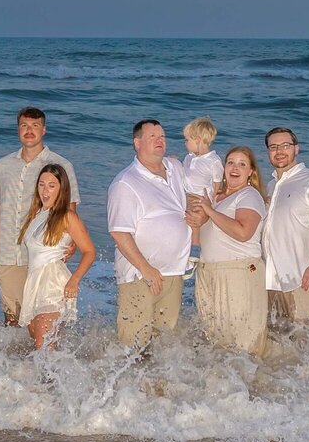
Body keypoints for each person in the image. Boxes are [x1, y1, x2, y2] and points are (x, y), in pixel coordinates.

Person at [106, 119, 194, 348]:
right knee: (134, 346)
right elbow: (119, 233)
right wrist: (147, 270)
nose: (159, 141)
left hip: (174, 272)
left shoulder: (175, 168)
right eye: (152, 137)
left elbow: (192, 193)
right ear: (137, 143)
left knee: (164, 345)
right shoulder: (126, 183)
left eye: (162, 136)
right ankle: (127, 385)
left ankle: (158, 385)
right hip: (141, 275)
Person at [0, 107, 79, 326]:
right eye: (24, 125)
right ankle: (17, 360)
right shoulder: (3, 165)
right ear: (18, 129)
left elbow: (70, 208)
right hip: (8, 252)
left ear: (44, 130)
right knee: (11, 317)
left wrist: (72, 242)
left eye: (35, 125)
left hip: (42, 255)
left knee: (42, 319)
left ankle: (44, 359)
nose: (29, 131)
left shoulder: (61, 165)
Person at [188, 146, 269, 354]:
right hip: (208, 272)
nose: (235, 168)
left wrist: (209, 211)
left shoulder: (249, 195)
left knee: (242, 340)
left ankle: (255, 384)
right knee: (215, 340)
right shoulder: (216, 197)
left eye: (242, 164)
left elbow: (243, 233)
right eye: (231, 162)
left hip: (238, 272)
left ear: (251, 171)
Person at [260, 127, 309, 329]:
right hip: (273, 281)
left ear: (296, 149)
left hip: (303, 278)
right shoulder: (271, 186)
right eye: (273, 147)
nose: (279, 151)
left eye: (285, 146)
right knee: (279, 345)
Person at [16, 165, 95, 350]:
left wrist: (74, 280)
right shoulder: (37, 214)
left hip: (53, 283)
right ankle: (57, 378)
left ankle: (50, 379)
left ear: (62, 189)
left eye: (51, 185)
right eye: (41, 184)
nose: (45, 190)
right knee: (41, 347)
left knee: (43, 347)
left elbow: (90, 251)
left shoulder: (67, 216)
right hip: (33, 282)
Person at [181, 117, 223, 201]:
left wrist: (211, 200)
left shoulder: (213, 161)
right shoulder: (188, 157)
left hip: (200, 199)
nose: (185, 143)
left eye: (187, 140)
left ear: (197, 140)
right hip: (185, 195)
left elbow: (217, 183)